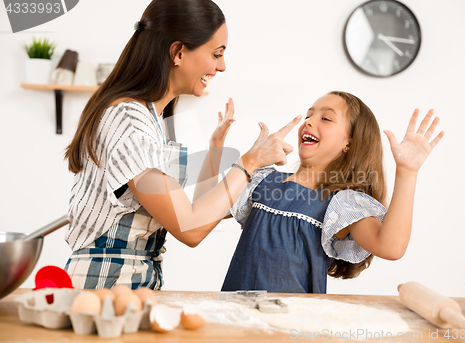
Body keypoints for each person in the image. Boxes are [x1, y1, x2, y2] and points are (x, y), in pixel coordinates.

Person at [63, 0, 301, 290]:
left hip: (131, 283)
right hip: (103, 286)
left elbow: (194, 208)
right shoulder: (129, 121)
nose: (222, 66)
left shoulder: (153, 118)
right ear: (177, 52)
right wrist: (250, 161)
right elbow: (190, 227)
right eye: (216, 54)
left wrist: (216, 150)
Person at [222, 91, 444, 293]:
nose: (309, 121)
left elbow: (391, 247)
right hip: (233, 319)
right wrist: (218, 144)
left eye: (325, 118)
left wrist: (407, 172)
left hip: (293, 329)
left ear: (349, 143)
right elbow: (203, 214)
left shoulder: (342, 204)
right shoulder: (263, 180)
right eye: (309, 115)